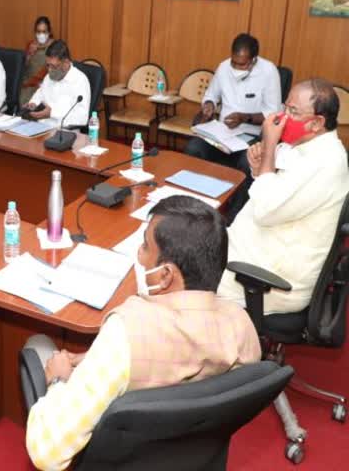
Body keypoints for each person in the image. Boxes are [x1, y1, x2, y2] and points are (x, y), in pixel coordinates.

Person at [24, 196, 261, 471]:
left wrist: (58, 382)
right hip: (189, 457)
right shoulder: (243, 327)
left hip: (115, 460)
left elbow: (46, 453)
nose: (139, 254)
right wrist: (97, 357)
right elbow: (188, 361)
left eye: (145, 246)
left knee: (39, 345)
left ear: (166, 276)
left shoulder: (126, 332)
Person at [217, 79, 349, 315]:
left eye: (293, 111)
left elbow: (266, 210)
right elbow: (274, 189)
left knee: (183, 267)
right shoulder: (302, 145)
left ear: (317, 123)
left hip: (269, 278)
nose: (281, 117)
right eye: (285, 107)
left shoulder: (325, 162)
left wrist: (268, 145)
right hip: (257, 247)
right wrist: (260, 169)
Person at [186, 33, 281, 219]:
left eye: (242, 64)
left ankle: (234, 215)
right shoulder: (223, 67)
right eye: (234, 62)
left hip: (251, 135)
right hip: (222, 133)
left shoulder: (269, 72)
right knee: (193, 148)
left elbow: (273, 114)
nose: (237, 67)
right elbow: (211, 95)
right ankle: (198, 202)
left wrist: (245, 117)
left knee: (247, 162)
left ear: (253, 60)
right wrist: (209, 106)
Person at [23, 40, 90, 127]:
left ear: (66, 62)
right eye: (48, 65)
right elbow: (40, 95)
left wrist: (52, 113)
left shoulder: (80, 81)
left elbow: (82, 119)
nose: (50, 70)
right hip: (40, 127)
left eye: (54, 66)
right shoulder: (49, 77)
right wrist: (33, 104)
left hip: (63, 132)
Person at [19, 16, 55, 106]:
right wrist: (29, 54)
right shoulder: (31, 45)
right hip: (27, 86)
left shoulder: (54, 47)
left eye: (44, 32)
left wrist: (33, 82)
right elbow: (22, 68)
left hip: (44, 85)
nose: (41, 35)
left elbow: (51, 69)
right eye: (38, 32)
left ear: (49, 32)